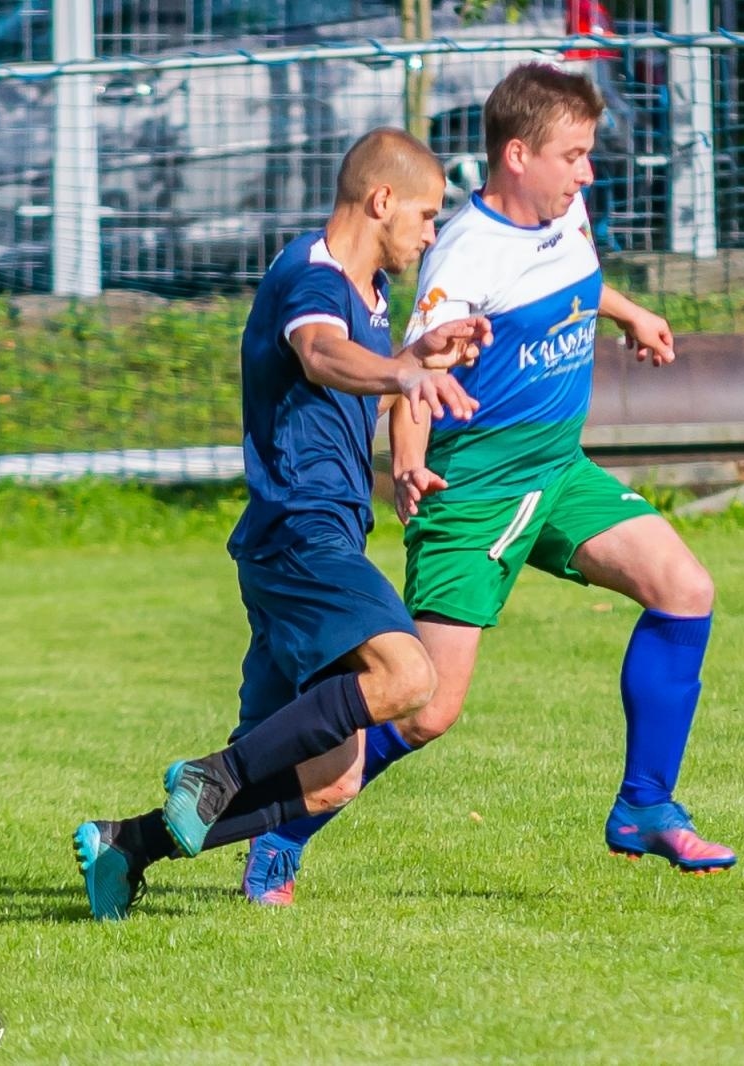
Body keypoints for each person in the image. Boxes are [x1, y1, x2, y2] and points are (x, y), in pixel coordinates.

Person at [237, 62, 735, 907]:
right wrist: (406, 459)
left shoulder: (564, 210)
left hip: (557, 468)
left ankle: (644, 806)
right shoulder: (458, 256)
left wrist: (626, 311)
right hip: (474, 491)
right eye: (574, 155)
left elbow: (557, 276)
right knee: (426, 708)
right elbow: (417, 368)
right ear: (517, 155)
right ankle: (284, 831)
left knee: (684, 588)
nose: (588, 171)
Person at [71, 127, 493, 920]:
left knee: (328, 779)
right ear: (382, 200)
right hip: (304, 535)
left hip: (297, 546)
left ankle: (127, 845)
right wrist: (402, 369)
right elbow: (319, 354)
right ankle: (214, 772)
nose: (433, 233)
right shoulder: (312, 276)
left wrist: (419, 351)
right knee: (409, 678)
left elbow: (359, 357)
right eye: (429, 215)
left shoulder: (368, 297)